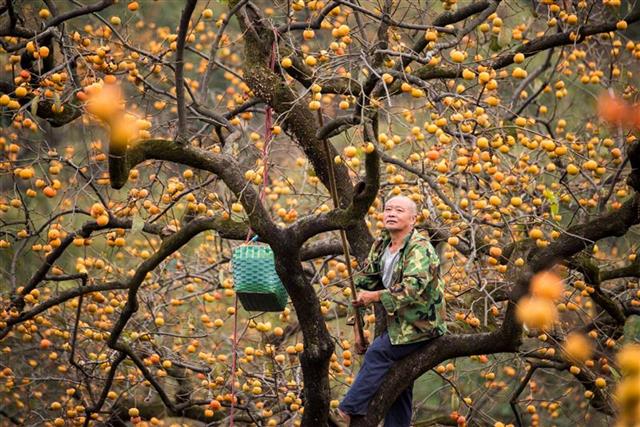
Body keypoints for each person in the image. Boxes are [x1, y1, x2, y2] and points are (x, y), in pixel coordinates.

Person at [338, 195, 447, 427]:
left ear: (413, 218)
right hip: (398, 324)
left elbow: (413, 288)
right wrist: (358, 328)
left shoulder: (419, 249)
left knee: (379, 353)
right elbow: (363, 285)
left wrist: (376, 296)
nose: (391, 213)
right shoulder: (381, 245)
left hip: (421, 325)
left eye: (399, 210)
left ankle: (351, 407)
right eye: (388, 209)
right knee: (399, 380)